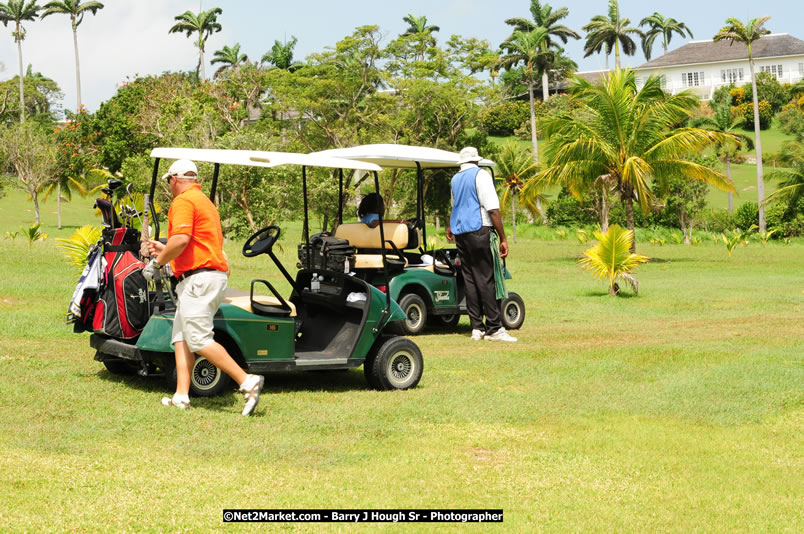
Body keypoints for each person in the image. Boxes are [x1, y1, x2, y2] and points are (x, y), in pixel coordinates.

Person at [142, 159, 264, 415]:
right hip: (203, 275)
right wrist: (167, 251)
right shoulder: (205, 201)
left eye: (169, 182)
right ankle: (181, 396)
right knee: (181, 338)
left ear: (174, 179)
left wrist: (156, 263)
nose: (169, 186)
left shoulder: (184, 201)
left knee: (198, 339)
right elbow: (194, 244)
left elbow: (182, 238)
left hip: (200, 280)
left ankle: (246, 381)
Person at [446, 147, 517, 342]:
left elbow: (454, 206)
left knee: (470, 279)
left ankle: (477, 327)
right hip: (479, 229)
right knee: (486, 278)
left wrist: (450, 226)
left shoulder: (455, 179)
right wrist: (503, 237)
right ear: (477, 160)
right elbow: (492, 208)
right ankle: (495, 328)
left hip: (461, 233)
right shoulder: (481, 175)